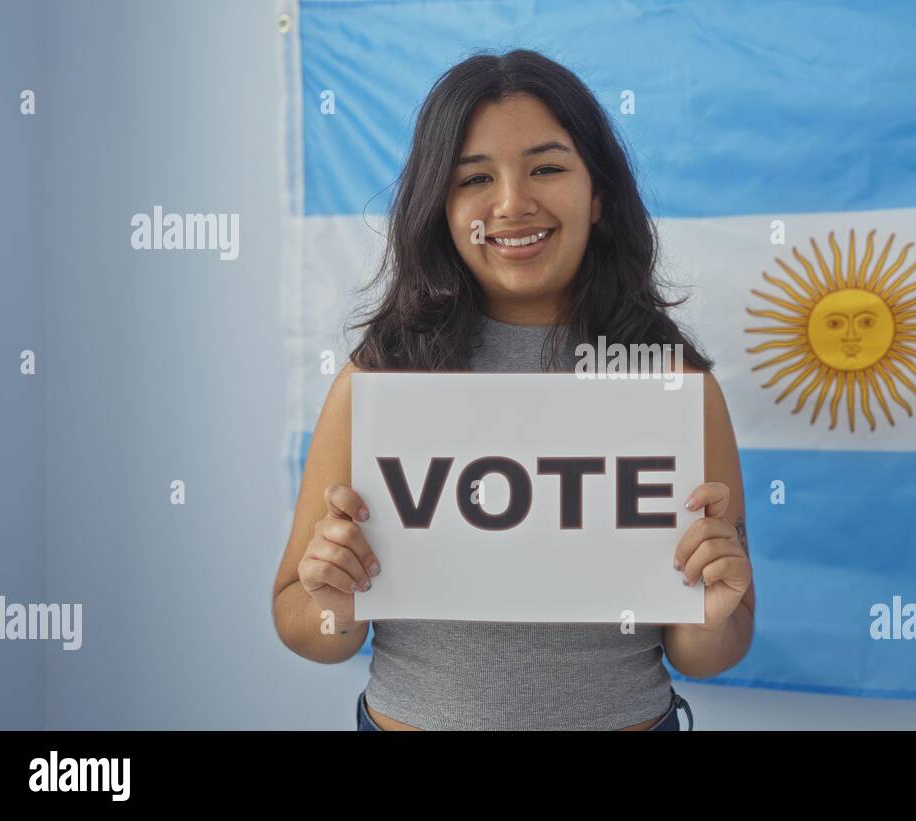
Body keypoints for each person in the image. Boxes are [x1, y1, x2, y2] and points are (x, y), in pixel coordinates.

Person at [271, 49, 754, 730]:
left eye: (548, 168)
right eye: (474, 178)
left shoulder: (671, 384)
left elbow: (709, 648)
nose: (512, 204)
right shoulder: (381, 378)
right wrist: (334, 601)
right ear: (439, 205)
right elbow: (303, 618)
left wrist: (715, 611)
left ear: (599, 194)